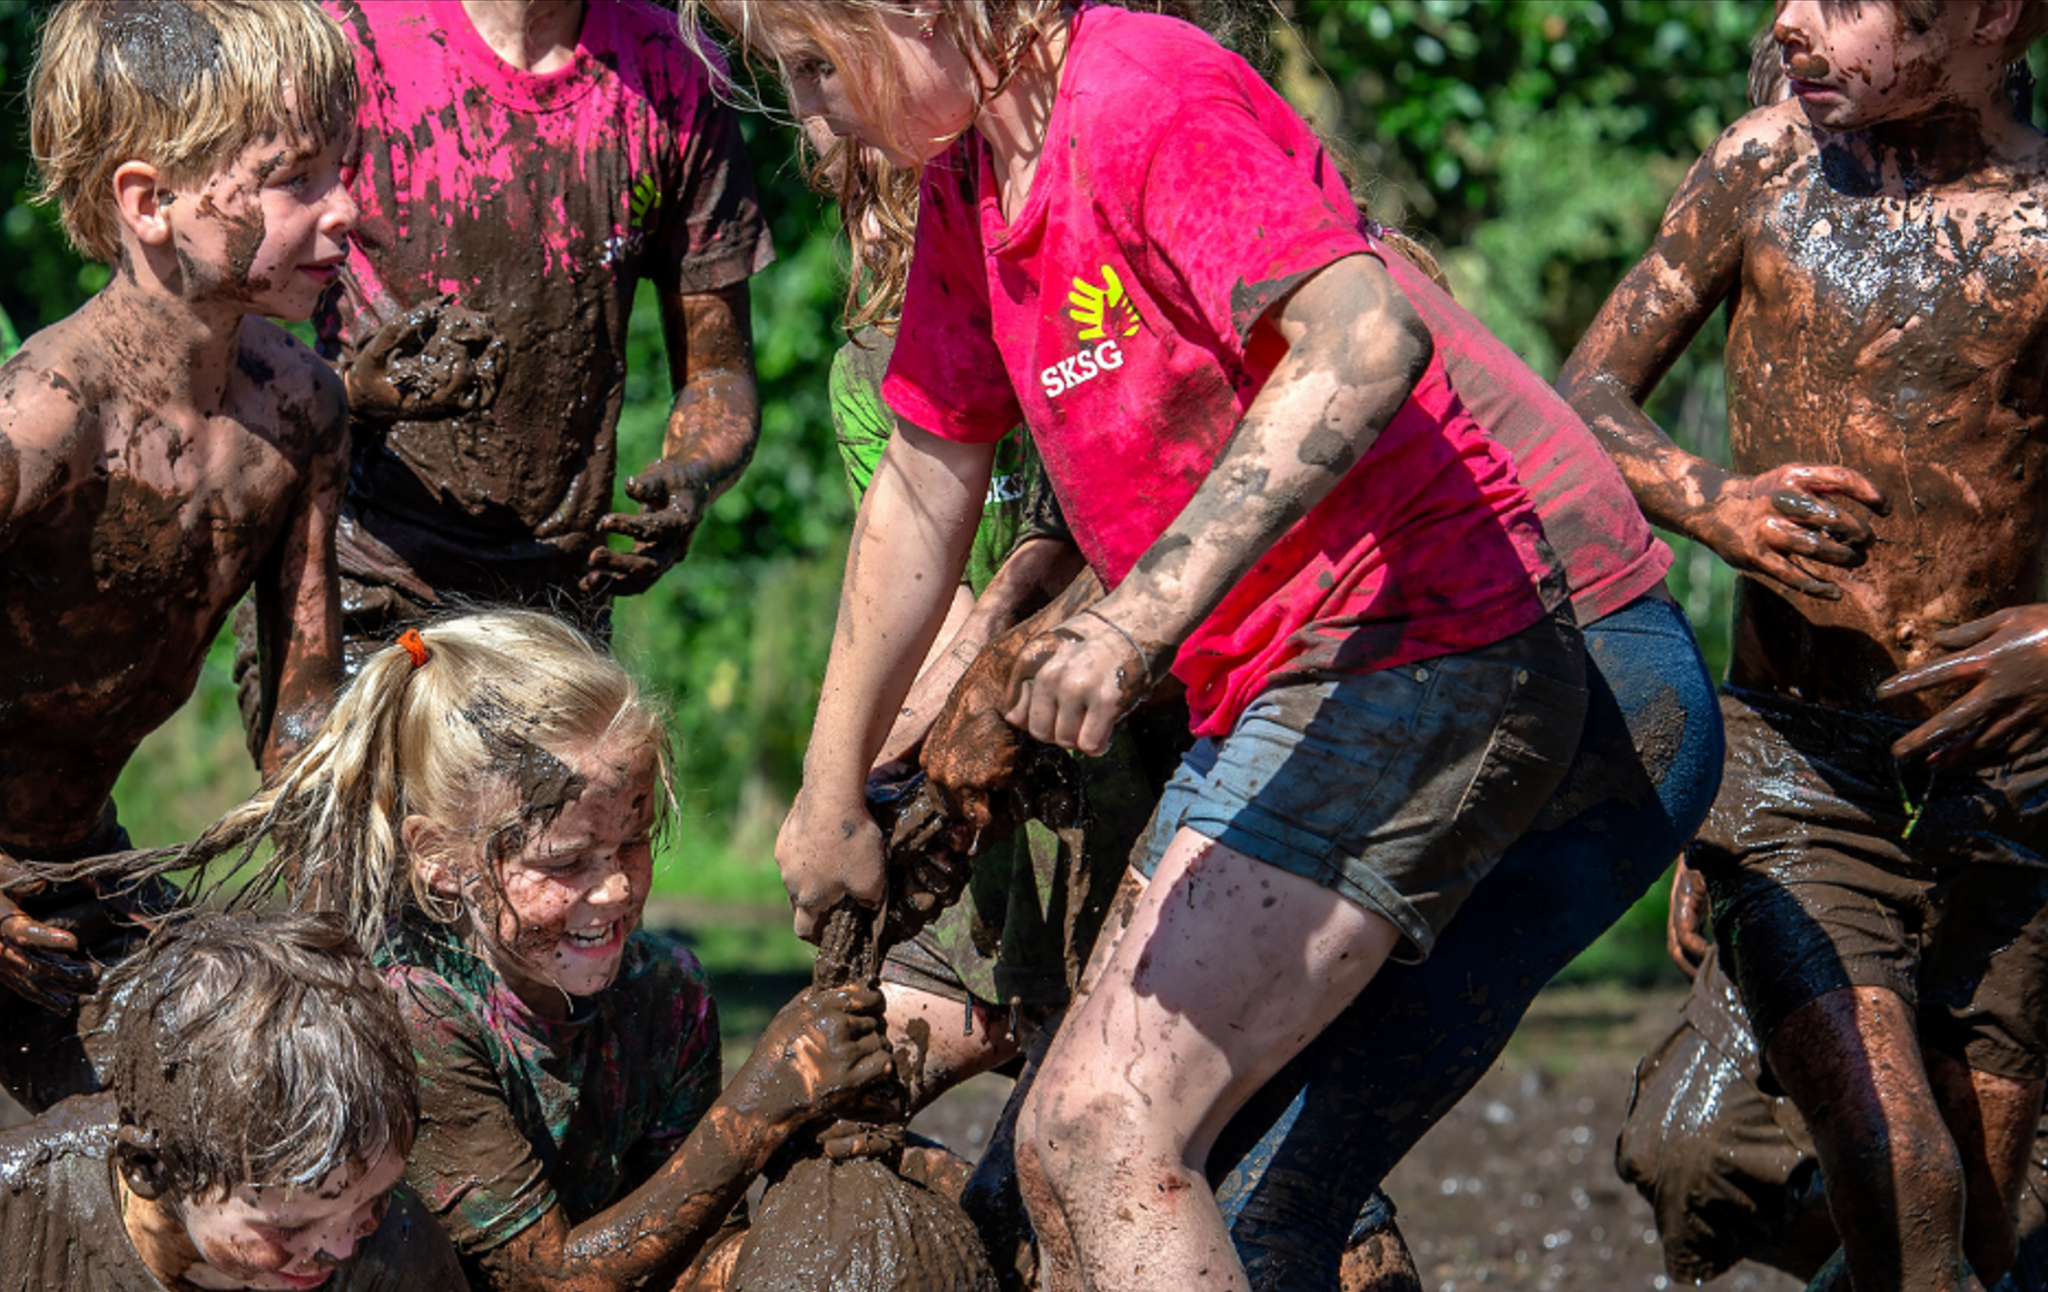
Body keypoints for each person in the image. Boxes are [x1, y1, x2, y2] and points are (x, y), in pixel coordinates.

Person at [697, 4, 1606, 1288]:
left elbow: (1363, 338)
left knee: (1106, 1127)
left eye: (810, 66)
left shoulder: (1138, 94)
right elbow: (917, 484)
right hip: (1282, 687)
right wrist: (828, 784)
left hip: (1415, 651)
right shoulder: (970, 184)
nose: (807, 116)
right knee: (1066, 1171)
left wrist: (1134, 614)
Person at [1558, 1, 2048, 1287]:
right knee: (1905, 1177)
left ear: (1988, 17)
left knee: (1978, 1225)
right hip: (1792, 760)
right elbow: (1578, 398)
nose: (1787, 17)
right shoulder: (1758, 166)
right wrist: (1704, 494)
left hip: (2004, 776)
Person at [152, 610, 896, 1292]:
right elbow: (544, 1282)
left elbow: (693, 1237)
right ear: (441, 857)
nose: (612, 891)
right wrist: (758, 1111)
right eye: (565, 862)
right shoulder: (413, 1011)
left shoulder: (668, 991)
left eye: (631, 843)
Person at [231, 0, 774, 755]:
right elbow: (230, 324)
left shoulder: (671, 71)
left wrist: (693, 475)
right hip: (352, 573)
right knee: (363, 861)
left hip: (550, 604)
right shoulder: (345, 47)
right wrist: (353, 394)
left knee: (551, 867)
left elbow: (718, 371)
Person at [0, 0, 352, 1113]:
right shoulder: (38, 429)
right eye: (297, 178)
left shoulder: (298, 409)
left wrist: (334, 898)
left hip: (82, 869)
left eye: (343, 168)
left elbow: (301, 707)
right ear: (150, 203)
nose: (346, 211)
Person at [0, 910, 466, 1292]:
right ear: (149, 1168)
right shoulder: (21, 1215)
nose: (341, 1248)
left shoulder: (398, 1258)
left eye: (376, 1200)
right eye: (289, 1226)